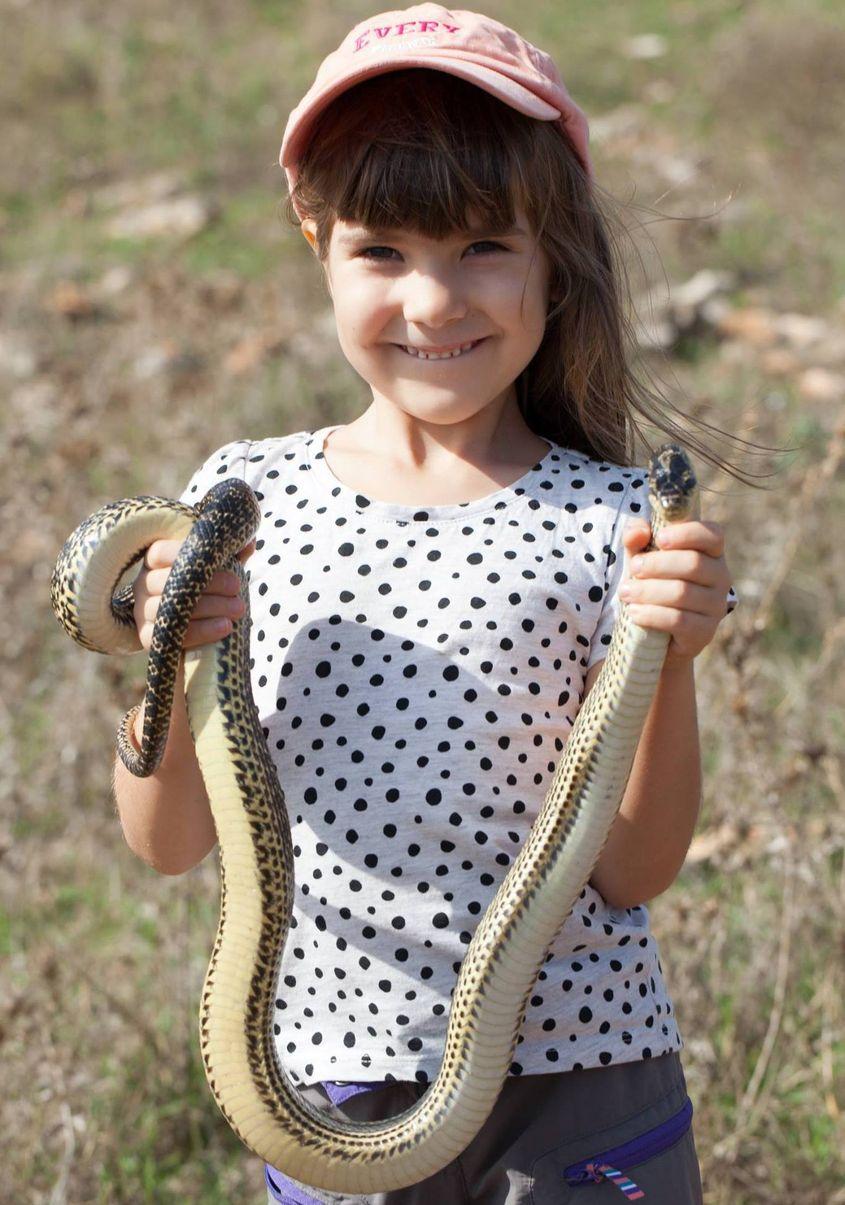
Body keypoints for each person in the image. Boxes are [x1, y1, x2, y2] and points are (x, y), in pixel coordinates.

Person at [112, 6, 748, 1202]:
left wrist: (671, 656)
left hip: (583, 1077)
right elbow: (167, 842)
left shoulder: (610, 516)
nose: (433, 301)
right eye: (383, 252)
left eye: (482, 246)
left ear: (554, 253)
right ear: (315, 239)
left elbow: (634, 869)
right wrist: (162, 654)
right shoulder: (243, 501)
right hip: (325, 1079)